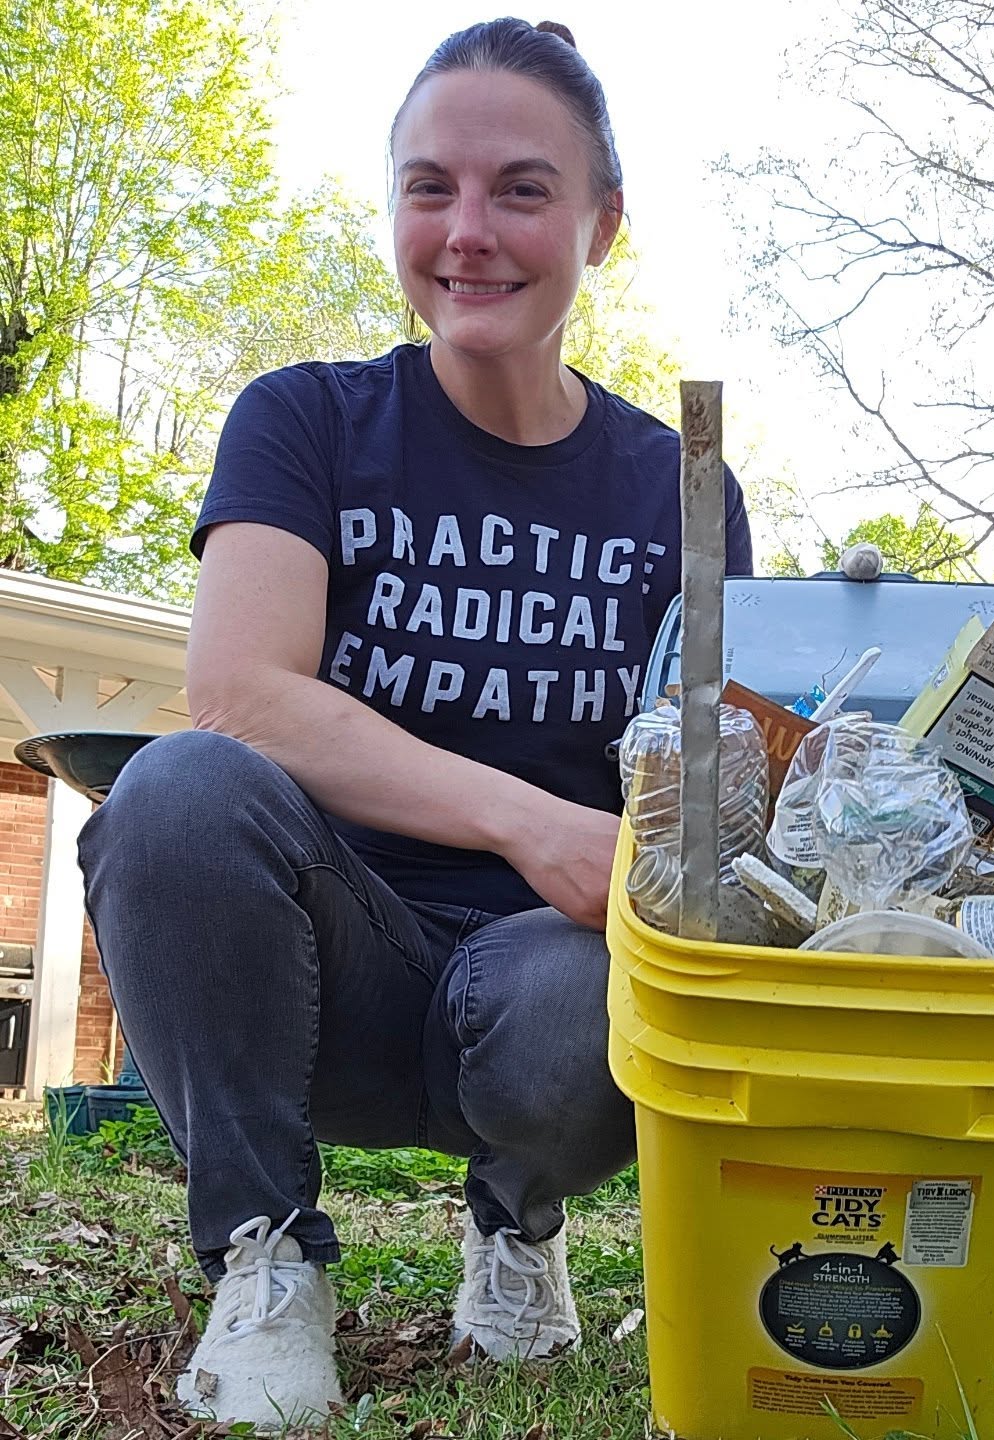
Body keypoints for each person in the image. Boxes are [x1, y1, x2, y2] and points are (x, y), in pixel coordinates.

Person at [77, 17, 751, 1430]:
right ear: (393, 205)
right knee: (177, 790)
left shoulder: (678, 489)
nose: (468, 232)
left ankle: (516, 1226)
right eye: (428, 187)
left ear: (602, 221)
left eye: (521, 188)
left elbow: (715, 777)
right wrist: (530, 818)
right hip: (326, 967)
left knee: (583, 986)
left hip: (543, 993)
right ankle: (267, 1258)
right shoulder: (306, 422)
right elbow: (240, 692)